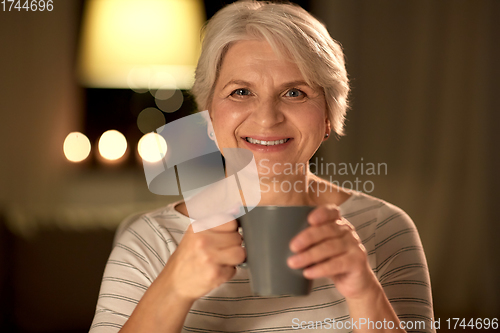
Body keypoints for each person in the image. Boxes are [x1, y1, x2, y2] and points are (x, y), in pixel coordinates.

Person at [89, 1, 434, 332]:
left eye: (295, 92)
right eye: (241, 92)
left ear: (329, 116)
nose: (267, 118)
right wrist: (174, 289)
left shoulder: (385, 229)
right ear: (208, 113)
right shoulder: (150, 240)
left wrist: (364, 292)